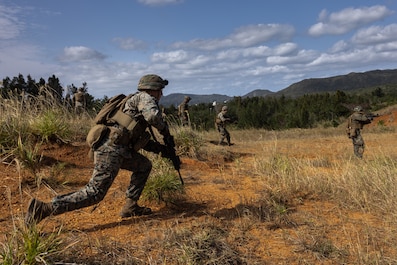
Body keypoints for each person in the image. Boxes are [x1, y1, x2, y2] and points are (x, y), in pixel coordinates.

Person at [25, 74, 176, 225]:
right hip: (110, 149)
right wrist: (165, 132)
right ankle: (44, 208)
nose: (161, 94)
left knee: (144, 166)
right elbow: (153, 117)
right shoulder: (145, 98)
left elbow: (138, 139)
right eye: (160, 90)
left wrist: (163, 150)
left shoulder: (136, 108)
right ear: (153, 89)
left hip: (119, 149)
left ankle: (130, 206)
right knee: (95, 193)